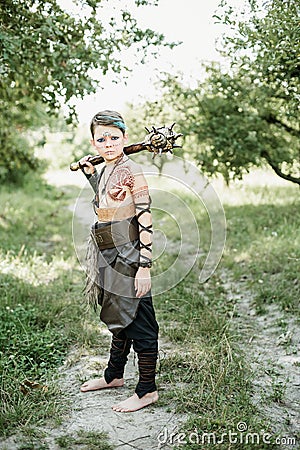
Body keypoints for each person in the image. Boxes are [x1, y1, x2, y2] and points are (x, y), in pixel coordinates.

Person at [78, 110, 159, 413]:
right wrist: (90, 175)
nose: (108, 143)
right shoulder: (109, 169)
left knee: (141, 318)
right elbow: (108, 202)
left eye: (114, 137)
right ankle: (113, 376)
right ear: (94, 143)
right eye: (102, 139)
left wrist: (144, 266)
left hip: (128, 253)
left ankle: (147, 389)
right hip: (106, 251)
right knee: (117, 313)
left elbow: (145, 218)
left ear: (125, 138)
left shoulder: (131, 170)